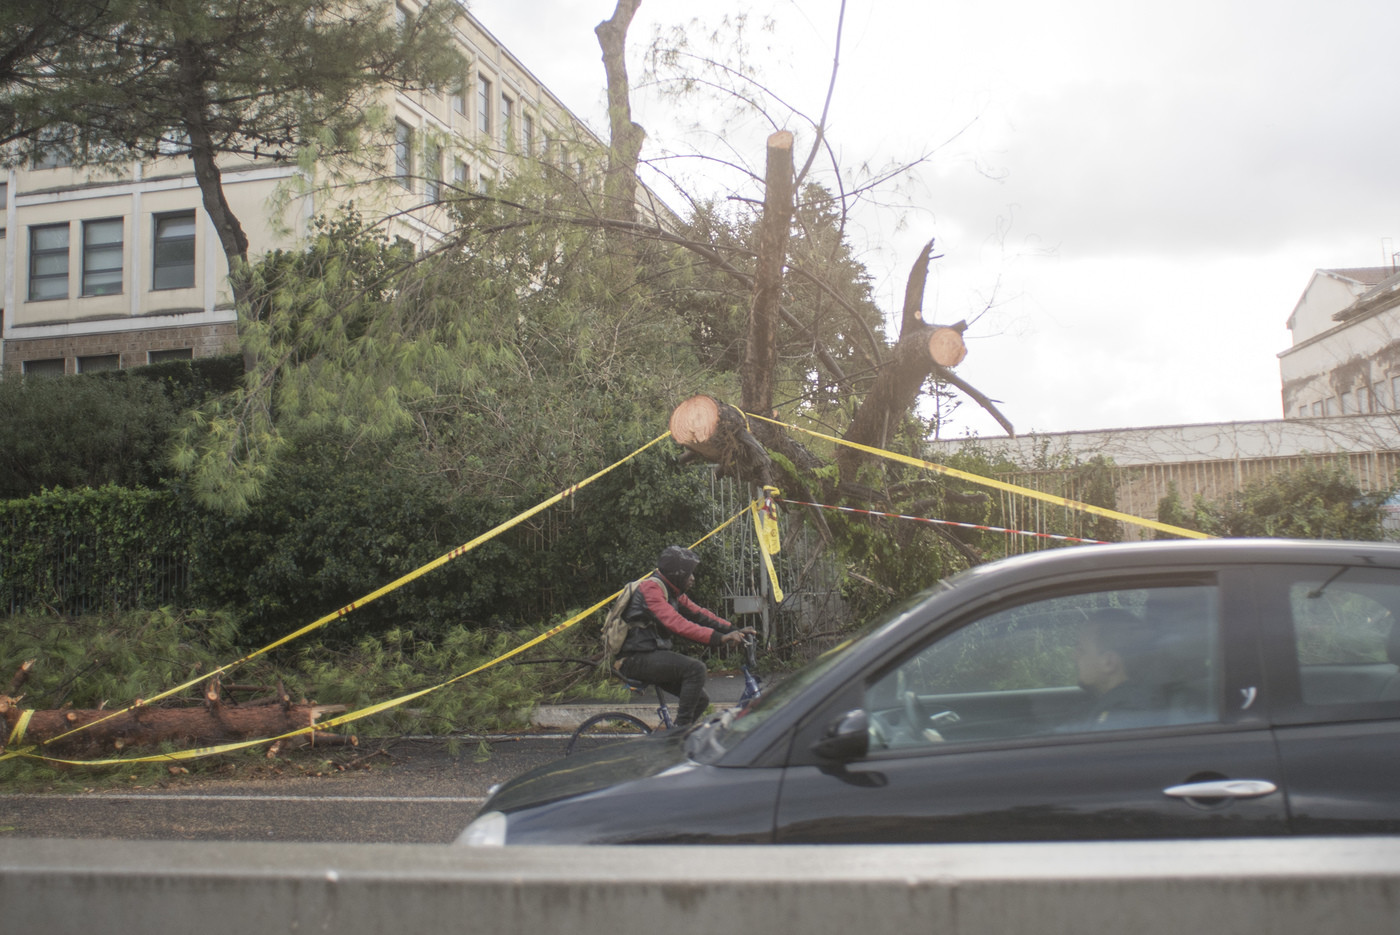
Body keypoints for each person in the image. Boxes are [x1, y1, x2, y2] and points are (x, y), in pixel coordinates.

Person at [615, 545, 755, 727]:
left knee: (701, 700)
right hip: (635, 659)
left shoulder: (671, 590)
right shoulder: (651, 589)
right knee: (696, 669)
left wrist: (733, 629)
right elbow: (677, 623)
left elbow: (700, 614)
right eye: (689, 574)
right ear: (677, 574)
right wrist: (719, 638)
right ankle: (677, 737)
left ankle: (668, 743)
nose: (693, 578)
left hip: (651, 655)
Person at [1070, 607, 1166, 731]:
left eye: (1081, 650)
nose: (1073, 656)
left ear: (1108, 662)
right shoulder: (1129, 704)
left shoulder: (1123, 719)